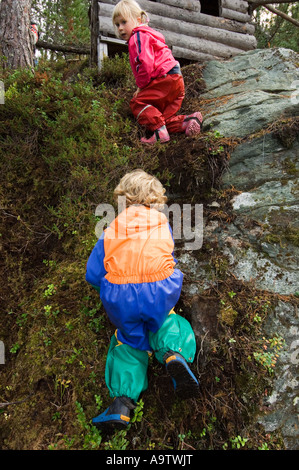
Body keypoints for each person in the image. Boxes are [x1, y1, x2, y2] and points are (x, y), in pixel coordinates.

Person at [86, 169, 199, 429]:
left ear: (122, 199)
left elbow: (93, 275)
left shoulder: (110, 228)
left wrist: (110, 291)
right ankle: (174, 353)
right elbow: (167, 256)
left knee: (128, 339)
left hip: (120, 296)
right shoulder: (162, 224)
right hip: (160, 289)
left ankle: (122, 404)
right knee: (165, 320)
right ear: (156, 201)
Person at [112, 0, 203, 145]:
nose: (121, 28)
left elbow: (145, 64)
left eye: (124, 22)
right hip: (176, 80)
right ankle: (187, 122)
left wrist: (141, 86)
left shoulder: (137, 37)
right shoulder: (149, 35)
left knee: (137, 103)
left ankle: (160, 134)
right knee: (159, 117)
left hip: (164, 79)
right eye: (117, 24)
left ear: (137, 20)